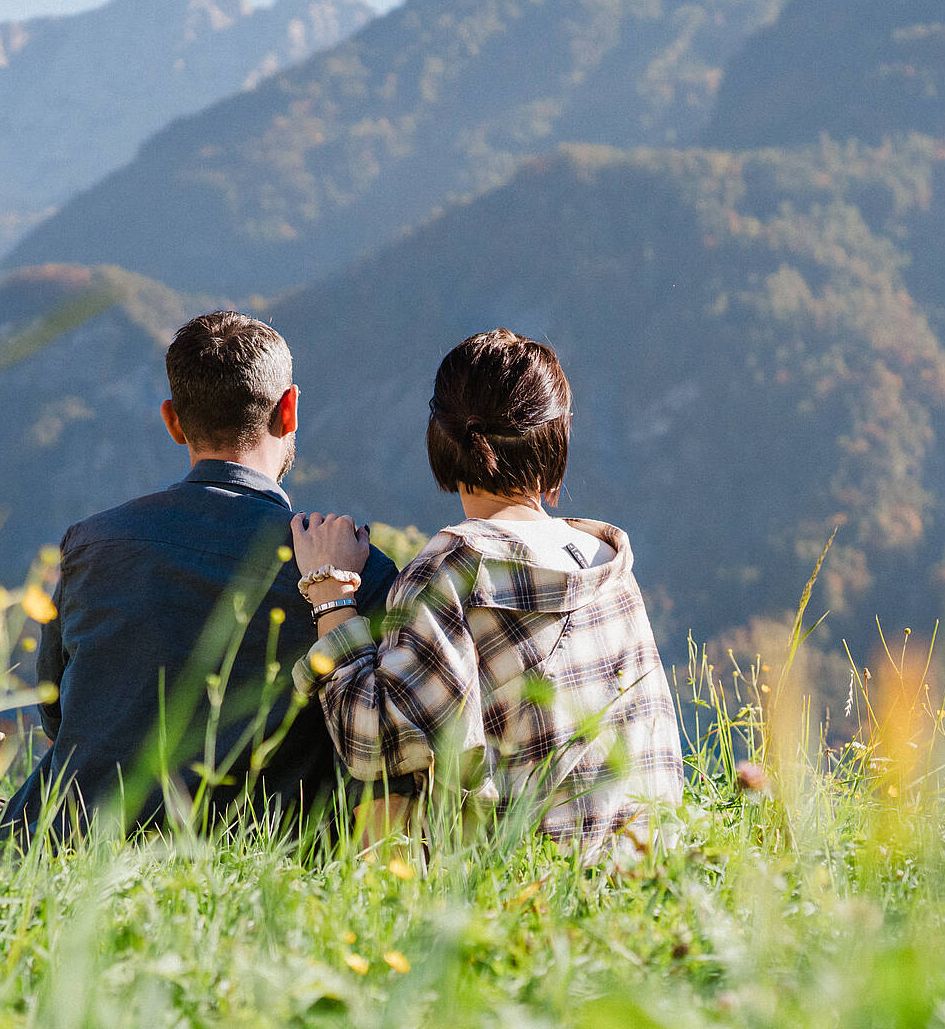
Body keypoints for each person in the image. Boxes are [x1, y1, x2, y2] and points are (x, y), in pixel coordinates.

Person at [0, 310, 398, 840]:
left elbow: (60, 718)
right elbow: (381, 747)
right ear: (289, 409)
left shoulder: (91, 545)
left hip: (64, 849)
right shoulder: (352, 570)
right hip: (254, 866)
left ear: (173, 421)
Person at [288, 329, 683, 854]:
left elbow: (375, 744)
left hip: (522, 896)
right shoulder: (607, 564)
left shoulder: (455, 571)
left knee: (384, 814)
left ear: (441, 438)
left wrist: (331, 592)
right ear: (556, 438)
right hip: (645, 883)